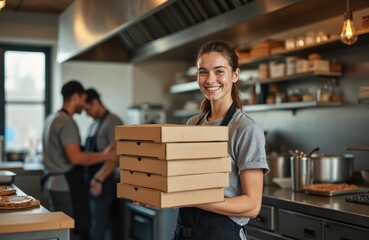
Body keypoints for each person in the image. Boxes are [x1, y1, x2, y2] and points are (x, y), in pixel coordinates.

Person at [172, 40, 270, 240]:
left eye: (219, 71)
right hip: (185, 233)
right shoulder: (193, 124)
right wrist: (157, 197)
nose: (210, 79)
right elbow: (182, 184)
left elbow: (252, 205)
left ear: (235, 75)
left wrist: (191, 198)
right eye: (203, 72)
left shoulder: (245, 129)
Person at [42, 80, 117, 240]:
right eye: (83, 100)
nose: (85, 108)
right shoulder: (67, 122)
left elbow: (117, 154)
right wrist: (105, 155)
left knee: (93, 228)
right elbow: (75, 157)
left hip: (93, 182)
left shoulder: (52, 118)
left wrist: (99, 177)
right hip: (64, 184)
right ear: (75, 97)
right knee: (67, 232)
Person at [84, 88, 123, 240]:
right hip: (93, 181)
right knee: (95, 225)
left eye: (87, 109)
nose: (86, 114)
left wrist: (99, 178)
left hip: (104, 182)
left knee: (100, 229)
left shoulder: (113, 121)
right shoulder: (94, 124)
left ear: (95, 102)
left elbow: (117, 155)